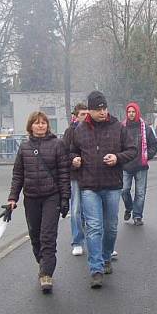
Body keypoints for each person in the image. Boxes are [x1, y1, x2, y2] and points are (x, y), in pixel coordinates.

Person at [69, 91, 137, 288]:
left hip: (112, 184)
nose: (102, 112)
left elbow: (132, 150)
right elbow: (71, 151)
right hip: (89, 185)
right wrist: (74, 160)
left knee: (111, 227)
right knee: (94, 227)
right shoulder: (80, 130)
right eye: (98, 109)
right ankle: (96, 268)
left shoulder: (118, 127)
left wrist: (117, 158)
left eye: (104, 108)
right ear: (89, 110)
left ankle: (106, 256)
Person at [7, 111, 71, 293]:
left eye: (44, 123)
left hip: (52, 196)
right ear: (31, 126)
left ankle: (46, 274)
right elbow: (18, 175)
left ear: (47, 126)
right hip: (31, 198)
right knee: (35, 236)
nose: (41, 125)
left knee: (47, 236)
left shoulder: (57, 145)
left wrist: (65, 198)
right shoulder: (24, 148)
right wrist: (13, 198)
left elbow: (64, 174)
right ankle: (42, 263)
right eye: (37, 123)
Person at [121, 102, 157, 226]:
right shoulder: (122, 128)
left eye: (133, 112)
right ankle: (129, 207)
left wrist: (148, 156)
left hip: (141, 166)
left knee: (140, 193)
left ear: (137, 112)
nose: (131, 114)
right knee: (124, 190)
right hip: (126, 165)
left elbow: (153, 145)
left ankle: (137, 216)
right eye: (129, 112)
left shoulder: (145, 128)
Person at [62, 103, 88, 256]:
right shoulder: (70, 132)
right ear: (75, 116)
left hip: (92, 175)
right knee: (76, 208)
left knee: (93, 210)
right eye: (82, 114)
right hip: (76, 176)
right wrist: (72, 161)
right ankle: (77, 241)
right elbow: (64, 154)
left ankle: (101, 244)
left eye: (87, 114)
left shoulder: (94, 129)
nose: (85, 117)